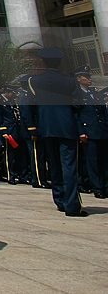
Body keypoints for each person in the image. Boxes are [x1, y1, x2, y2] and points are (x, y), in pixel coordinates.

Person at [24, 47, 86, 217]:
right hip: (67, 127)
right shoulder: (70, 81)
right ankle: (72, 205)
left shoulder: (34, 81)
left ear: (43, 62)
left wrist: (33, 126)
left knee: (54, 165)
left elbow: (30, 106)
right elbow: (78, 104)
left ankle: (59, 200)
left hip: (46, 127)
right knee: (69, 166)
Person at [76, 68, 107, 199]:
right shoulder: (77, 95)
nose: (89, 79)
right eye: (86, 76)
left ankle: (105, 186)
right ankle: (97, 187)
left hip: (100, 131)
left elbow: (101, 112)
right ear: (78, 79)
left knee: (104, 160)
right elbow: (76, 115)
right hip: (88, 131)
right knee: (92, 161)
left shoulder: (93, 93)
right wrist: (81, 132)